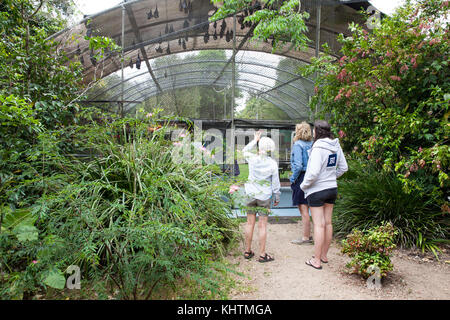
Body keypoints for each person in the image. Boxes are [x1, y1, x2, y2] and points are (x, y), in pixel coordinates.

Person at [300, 120, 348, 270]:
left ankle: (316, 260)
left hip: (317, 191)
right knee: (328, 223)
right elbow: (344, 167)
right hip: (331, 189)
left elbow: (313, 172)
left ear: (317, 131)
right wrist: (331, 177)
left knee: (319, 225)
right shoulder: (336, 146)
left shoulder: (317, 148)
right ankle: (324, 256)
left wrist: (304, 185)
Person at [242, 130, 280, 263]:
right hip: (264, 196)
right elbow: (275, 183)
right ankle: (262, 255)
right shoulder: (272, 164)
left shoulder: (252, 159)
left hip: (250, 194)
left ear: (259, 147)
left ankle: (247, 251)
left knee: (249, 223)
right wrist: (277, 196)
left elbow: (244, 150)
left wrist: (255, 140)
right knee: (262, 225)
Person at [290, 122, 313, 245]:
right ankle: (309, 235)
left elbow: (298, 165)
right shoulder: (312, 145)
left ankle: (305, 237)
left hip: (301, 177)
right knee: (310, 207)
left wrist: (293, 178)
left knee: (303, 209)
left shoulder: (298, 145)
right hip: (311, 177)